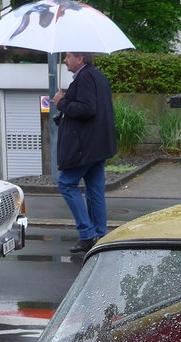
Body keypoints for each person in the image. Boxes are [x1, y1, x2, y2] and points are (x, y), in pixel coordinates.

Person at [52, 51, 117, 254]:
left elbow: (88, 109)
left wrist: (61, 102)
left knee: (66, 183)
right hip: (98, 144)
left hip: (85, 146)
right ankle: (100, 234)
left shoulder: (85, 77)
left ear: (80, 59)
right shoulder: (96, 75)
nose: (65, 60)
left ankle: (87, 234)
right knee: (94, 190)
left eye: (68, 56)